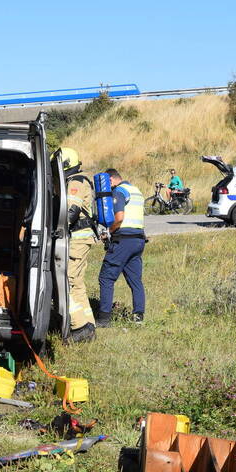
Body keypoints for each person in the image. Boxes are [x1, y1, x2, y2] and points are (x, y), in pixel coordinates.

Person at [97, 168, 146, 326]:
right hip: (138, 240)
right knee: (135, 280)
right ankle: (138, 317)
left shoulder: (119, 191)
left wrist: (108, 232)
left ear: (110, 180)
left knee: (106, 277)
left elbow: (119, 218)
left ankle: (104, 319)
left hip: (123, 240)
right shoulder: (136, 190)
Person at [58, 147, 97, 344]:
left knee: (67, 282)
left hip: (77, 240)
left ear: (65, 165)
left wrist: (54, 228)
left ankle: (79, 326)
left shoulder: (75, 182)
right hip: (83, 239)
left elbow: (70, 213)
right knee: (78, 285)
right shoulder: (80, 180)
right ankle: (89, 325)